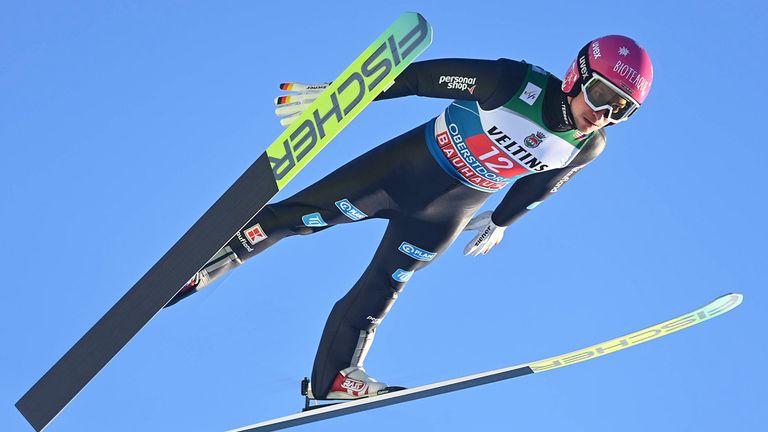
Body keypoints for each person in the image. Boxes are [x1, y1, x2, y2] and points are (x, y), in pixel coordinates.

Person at [165, 35, 654, 400]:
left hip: (446, 213)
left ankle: (333, 379)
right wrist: (339, 96)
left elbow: (539, 185)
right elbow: (419, 78)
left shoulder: (588, 145)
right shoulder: (512, 83)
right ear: (576, 76)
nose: (604, 114)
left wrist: (502, 221)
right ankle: (203, 266)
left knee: (386, 284)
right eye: (601, 96)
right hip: (399, 174)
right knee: (299, 218)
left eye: (622, 110)